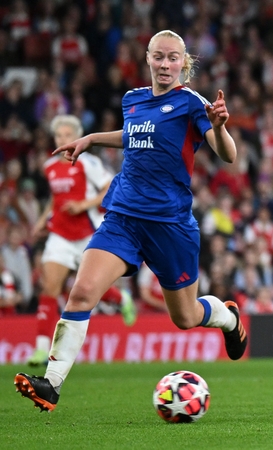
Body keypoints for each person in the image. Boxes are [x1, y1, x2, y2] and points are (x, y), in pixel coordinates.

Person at [14, 30, 248, 412]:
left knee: (185, 316)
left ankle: (227, 317)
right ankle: (51, 384)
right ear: (148, 58)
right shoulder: (132, 100)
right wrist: (91, 139)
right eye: (159, 56)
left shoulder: (192, 103)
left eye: (173, 58)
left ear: (184, 63)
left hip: (169, 224)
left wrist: (219, 126)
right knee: (82, 291)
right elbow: (135, 135)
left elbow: (229, 155)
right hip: (123, 217)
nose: (165, 64)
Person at [26, 115, 137, 367]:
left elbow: (109, 188)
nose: (62, 139)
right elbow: (55, 200)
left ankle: (122, 299)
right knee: (50, 287)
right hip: (60, 235)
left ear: (77, 136)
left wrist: (83, 205)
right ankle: (41, 349)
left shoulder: (88, 163)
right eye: (59, 135)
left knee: (87, 289)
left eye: (67, 135)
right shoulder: (49, 166)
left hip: (88, 233)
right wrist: (42, 220)